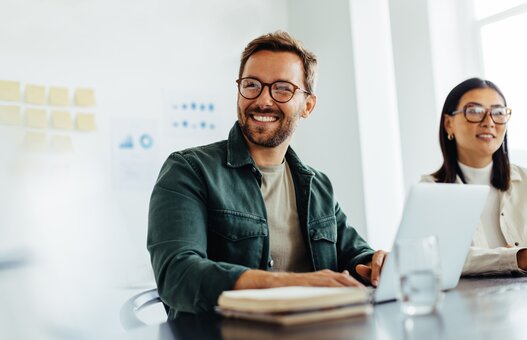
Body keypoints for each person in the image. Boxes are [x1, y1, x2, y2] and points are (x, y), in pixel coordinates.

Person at [147, 31, 387, 317]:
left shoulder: (317, 185)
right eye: (252, 85)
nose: (263, 100)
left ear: (307, 106)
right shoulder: (189, 170)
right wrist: (289, 284)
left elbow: (354, 255)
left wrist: (377, 263)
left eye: (283, 89)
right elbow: (177, 275)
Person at [422, 77, 527, 275]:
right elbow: (439, 257)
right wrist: (517, 258)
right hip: (468, 302)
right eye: (475, 112)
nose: (489, 122)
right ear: (448, 124)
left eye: (498, 113)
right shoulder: (430, 191)